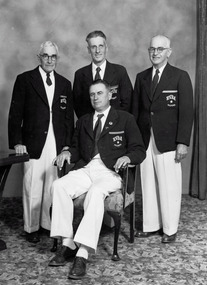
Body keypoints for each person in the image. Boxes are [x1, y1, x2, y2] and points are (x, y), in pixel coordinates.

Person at [48, 79, 146, 279]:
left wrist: (127, 157)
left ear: (110, 95)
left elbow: (139, 150)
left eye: (100, 93)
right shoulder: (83, 120)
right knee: (58, 185)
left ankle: (82, 253)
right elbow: (76, 148)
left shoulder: (125, 119)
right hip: (87, 168)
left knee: (96, 192)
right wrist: (67, 153)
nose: (95, 98)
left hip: (111, 171)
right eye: (92, 94)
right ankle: (68, 243)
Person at [8, 41, 74, 243]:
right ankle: (31, 228)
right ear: (39, 58)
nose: (49, 60)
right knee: (32, 186)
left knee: (52, 185)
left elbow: (68, 119)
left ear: (57, 59)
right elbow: (15, 114)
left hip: (57, 142)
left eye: (53, 56)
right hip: (33, 142)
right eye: (46, 56)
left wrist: (66, 146)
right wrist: (17, 142)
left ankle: (47, 224)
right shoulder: (25, 80)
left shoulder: (64, 83)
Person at [132, 35, 194, 243]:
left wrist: (183, 142)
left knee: (169, 185)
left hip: (168, 140)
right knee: (148, 182)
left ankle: (169, 229)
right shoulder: (141, 77)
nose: (155, 53)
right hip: (145, 138)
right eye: (152, 49)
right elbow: (135, 111)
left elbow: (186, 113)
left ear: (169, 52)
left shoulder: (180, 76)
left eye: (160, 49)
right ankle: (151, 225)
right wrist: (134, 141)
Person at [73, 30, 133, 118]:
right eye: (93, 47)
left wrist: (117, 122)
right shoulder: (80, 74)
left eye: (101, 46)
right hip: (91, 126)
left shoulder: (120, 71)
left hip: (116, 124)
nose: (97, 51)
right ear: (89, 50)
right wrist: (90, 123)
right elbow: (78, 105)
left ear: (106, 48)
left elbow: (128, 102)